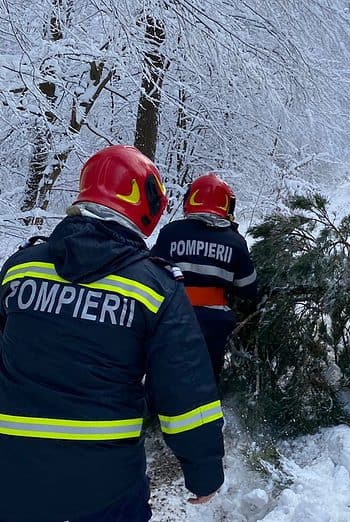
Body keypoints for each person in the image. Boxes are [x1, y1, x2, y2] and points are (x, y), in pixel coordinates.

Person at [0, 145, 224, 521]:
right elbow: (184, 386)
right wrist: (203, 470)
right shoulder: (156, 286)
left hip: (10, 470)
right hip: (105, 480)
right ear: (146, 205)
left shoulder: (19, 268)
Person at [152, 173, 257, 384]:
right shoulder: (235, 241)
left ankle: (154, 412)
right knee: (206, 378)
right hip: (214, 323)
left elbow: (152, 271)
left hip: (170, 317)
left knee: (163, 372)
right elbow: (248, 287)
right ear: (227, 207)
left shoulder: (170, 232)